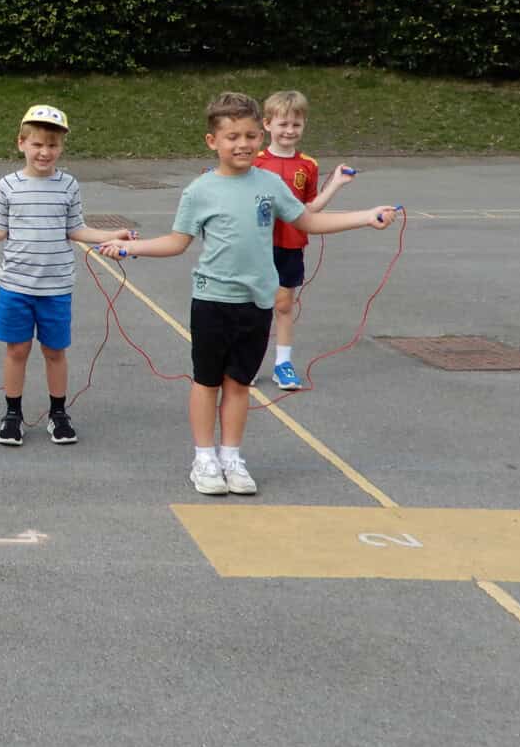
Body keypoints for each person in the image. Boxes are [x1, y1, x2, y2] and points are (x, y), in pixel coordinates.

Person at [98, 91, 398, 497]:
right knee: (207, 382)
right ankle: (204, 458)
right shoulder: (199, 190)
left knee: (239, 383)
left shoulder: (270, 184)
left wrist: (366, 216)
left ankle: (231, 457)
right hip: (211, 301)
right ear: (213, 142)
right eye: (233, 136)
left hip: (256, 303)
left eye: (251, 136)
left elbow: (307, 221)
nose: (243, 144)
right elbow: (176, 242)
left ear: (261, 137)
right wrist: (130, 248)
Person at [0, 104, 135, 447]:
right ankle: (12, 414)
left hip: (56, 287)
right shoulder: (8, 185)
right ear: (21, 143)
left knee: (55, 351)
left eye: (52, 145)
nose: (44, 152)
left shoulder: (68, 185)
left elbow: (77, 229)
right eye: (37, 144)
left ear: (61, 147)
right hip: (15, 286)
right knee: (17, 350)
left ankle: (59, 414)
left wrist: (111, 235)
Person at [254, 89, 355, 390]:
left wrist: (335, 184)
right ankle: (248, 362)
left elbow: (309, 209)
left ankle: (283, 364)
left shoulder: (308, 165)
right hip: (257, 245)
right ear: (267, 124)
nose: (289, 130)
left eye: (296, 125)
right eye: (283, 124)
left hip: (290, 244)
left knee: (284, 304)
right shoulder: (255, 161)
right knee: (254, 305)